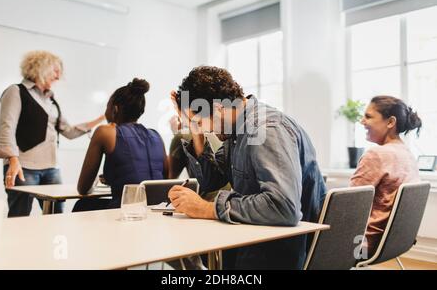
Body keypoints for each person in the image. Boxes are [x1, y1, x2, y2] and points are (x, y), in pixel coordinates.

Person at [167, 66, 327, 269]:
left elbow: (283, 207)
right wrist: (195, 128)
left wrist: (207, 208)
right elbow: (211, 181)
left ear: (217, 109)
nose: (204, 129)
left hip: (282, 250)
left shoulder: (265, 130)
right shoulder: (236, 130)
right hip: (258, 237)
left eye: (199, 121)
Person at [0, 50, 104, 217]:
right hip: (24, 167)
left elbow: (68, 131)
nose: (58, 77)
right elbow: (6, 127)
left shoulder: (50, 100)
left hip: (51, 168)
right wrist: (13, 160)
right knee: (20, 216)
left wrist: (102, 118)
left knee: (57, 215)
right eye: (56, 70)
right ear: (41, 68)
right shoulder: (16, 91)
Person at [74, 78, 168, 211]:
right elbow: (165, 178)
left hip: (125, 210)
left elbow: (83, 188)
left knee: (81, 206)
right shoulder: (156, 135)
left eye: (106, 107)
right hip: (157, 211)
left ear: (114, 109)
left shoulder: (105, 132)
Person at [350, 95, 422, 257]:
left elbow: (350, 207)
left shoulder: (376, 154)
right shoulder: (408, 154)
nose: (362, 121)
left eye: (368, 116)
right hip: (393, 244)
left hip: (362, 246)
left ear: (390, 122)